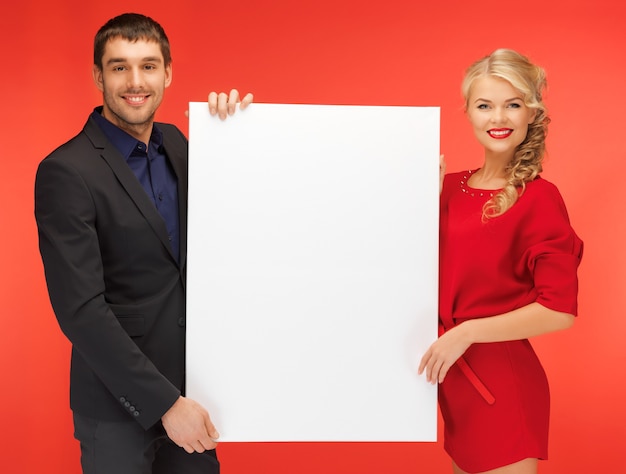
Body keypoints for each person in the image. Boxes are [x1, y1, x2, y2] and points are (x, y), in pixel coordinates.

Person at [34, 13, 252, 474]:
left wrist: (234, 134)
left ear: (168, 73)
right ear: (98, 76)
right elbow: (81, 311)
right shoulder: (66, 171)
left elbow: (236, 230)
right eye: (119, 67)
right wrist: (165, 404)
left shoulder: (178, 143)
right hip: (118, 408)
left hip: (196, 396)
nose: (136, 81)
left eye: (149, 66)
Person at [418, 49, 583, 473]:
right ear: (468, 112)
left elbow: (558, 310)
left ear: (532, 113)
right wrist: (417, 204)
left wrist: (466, 333)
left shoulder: (540, 199)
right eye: (485, 105)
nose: (499, 118)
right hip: (453, 383)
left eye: (513, 105)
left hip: (502, 385)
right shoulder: (445, 187)